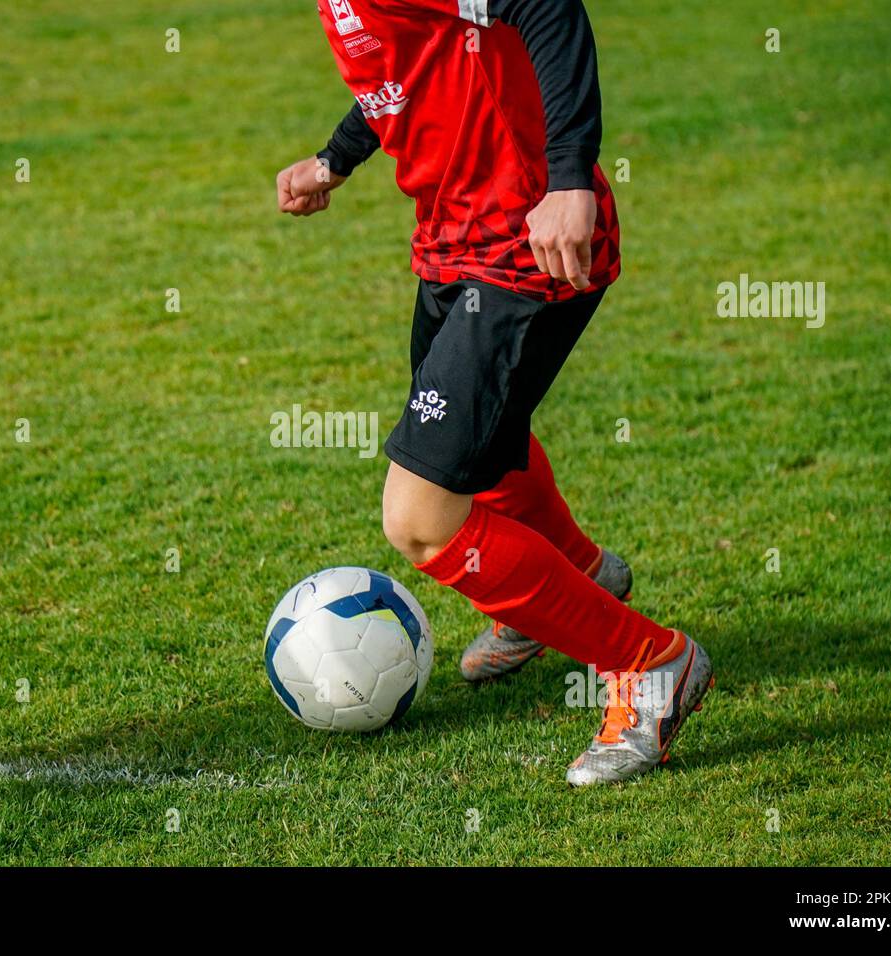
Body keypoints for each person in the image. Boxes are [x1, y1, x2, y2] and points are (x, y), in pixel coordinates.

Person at [276, 0, 714, 785]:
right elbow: (410, 72)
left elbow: (546, 7)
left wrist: (571, 172)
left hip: (523, 244)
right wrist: (334, 159)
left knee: (419, 517)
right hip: (450, 243)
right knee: (480, 459)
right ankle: (576, 575)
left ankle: (653, 663)